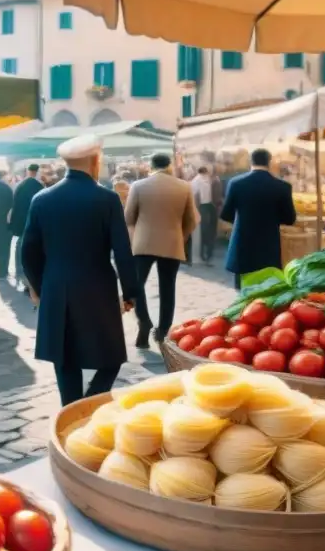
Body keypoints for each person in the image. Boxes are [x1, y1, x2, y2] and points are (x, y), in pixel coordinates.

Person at [21, 134, 138, 406]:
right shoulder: (107, 199)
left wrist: (38, 287)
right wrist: (130, 292)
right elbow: (122, 251)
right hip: (98, 287)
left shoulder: (42, 198)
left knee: (65, 359)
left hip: (56, 286)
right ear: (95, 160)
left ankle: (72, 411)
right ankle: (87, 406)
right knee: (111, 358)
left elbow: (28, 252)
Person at [125, 153, 196, 348]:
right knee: (167, 287)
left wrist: (134, 240)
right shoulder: (184, 187)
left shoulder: (138, 186)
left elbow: (129, 218)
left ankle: (144, 321)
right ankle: (163, 330)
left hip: (143, 243)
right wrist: (181, 236)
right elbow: (192, 219)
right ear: (170, 166)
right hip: (172, 242)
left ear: (151, 166)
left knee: (137, 286)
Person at [221, 148, 296, 289]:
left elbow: (226, 214)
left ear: (251, 161)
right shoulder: (283, 187)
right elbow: (289, 219)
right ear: (269, 162)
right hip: (269, 247)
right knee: (267, 292)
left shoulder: (236, 183)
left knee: (242, 294)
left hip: (242, 246)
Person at [9, 164, 43, 290]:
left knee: (19, 246)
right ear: (37, 172)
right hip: (31, 221)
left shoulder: (20, 185)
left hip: (20, 221)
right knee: (29, 249)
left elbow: (14, 204)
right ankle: (27, 276)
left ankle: (19, 274)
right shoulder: (38, 186)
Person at [191, 166, 220, 264]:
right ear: (205, 172)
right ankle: (206, 253)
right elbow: (196, 196)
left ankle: (206, 253)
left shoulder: (196, 181)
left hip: (205, 206)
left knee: (205, 230)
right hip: (205, 206)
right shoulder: (200, 180)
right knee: (206, 231)